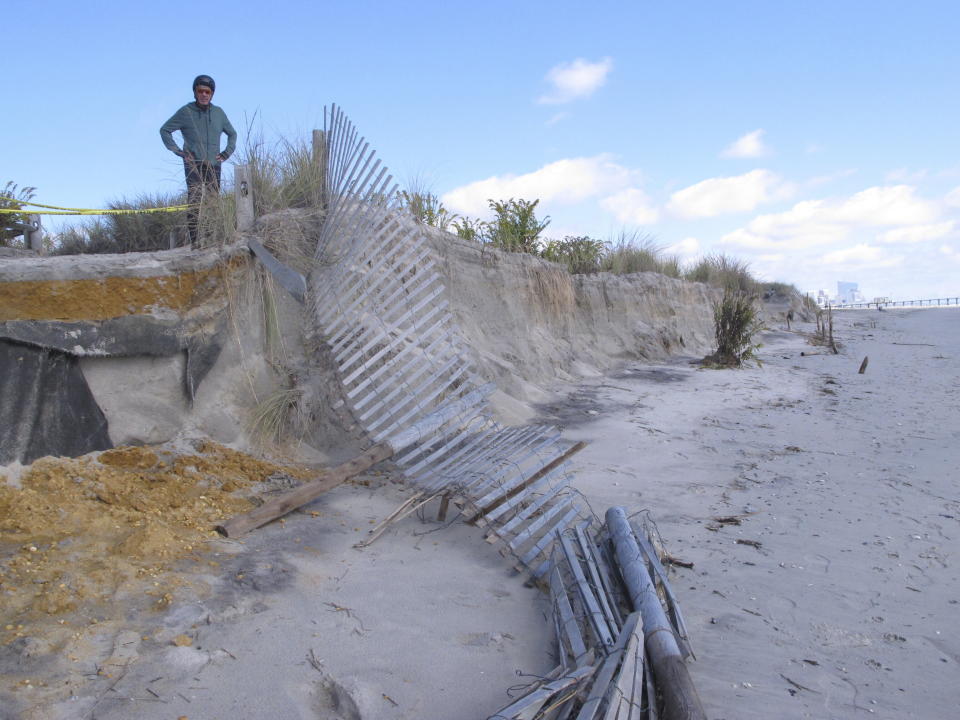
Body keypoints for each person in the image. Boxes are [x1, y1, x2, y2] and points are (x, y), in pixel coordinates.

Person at [160, 74, 237, 246]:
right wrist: (179, 152)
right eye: (200, 91)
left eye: (207, 92)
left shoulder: (218, 113)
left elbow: (233, 134)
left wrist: (226, 154)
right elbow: (164, 130)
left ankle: (211, 239)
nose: (204, 94)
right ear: (195, 92)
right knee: (195, 200)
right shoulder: (186, 111)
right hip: (193, 164)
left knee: (213, 202)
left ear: (212, 94)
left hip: (214, 164)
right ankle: (195, 241)